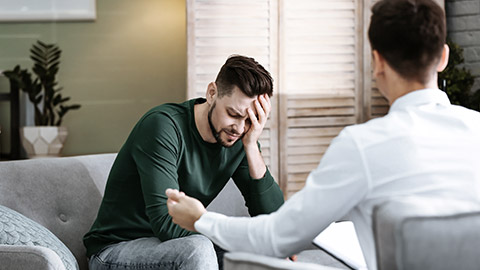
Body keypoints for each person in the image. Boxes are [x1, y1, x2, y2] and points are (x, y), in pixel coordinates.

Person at [166, 0, 480, 269]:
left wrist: (201, 220)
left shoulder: (362, 146)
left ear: (377, 62)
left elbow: (278, 237)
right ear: (443, 57)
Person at [83, 55, 285, 270]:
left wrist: (252, 146)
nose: (239, 128)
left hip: (178, 246)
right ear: (212, 93)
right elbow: (166, 223)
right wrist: (234, 234)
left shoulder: (241, 138)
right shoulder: (163, 127)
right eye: (233, 114)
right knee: (198, 248)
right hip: (116, 250)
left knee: (264, 252)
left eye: (249, 120)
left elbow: (275, 224)